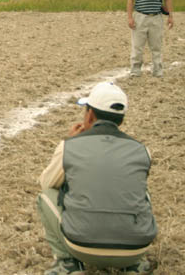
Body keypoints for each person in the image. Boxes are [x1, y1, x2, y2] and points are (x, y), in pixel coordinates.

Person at [37, 82, 156, 275]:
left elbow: (46, 184)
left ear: (90, 115)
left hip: (81, 246)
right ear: (121, 120)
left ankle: (68, 263)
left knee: (45, 196)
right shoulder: (142, 150)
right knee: (142, 194)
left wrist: (68, 142)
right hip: (135, 248)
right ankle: (134, 265)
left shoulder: (71, 147)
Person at [126, 0, 174, 78]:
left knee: (156, 46)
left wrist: (170, 16)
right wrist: (130, 17)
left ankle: (158, 71)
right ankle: (135, 71)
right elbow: (130, 0)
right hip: (140, 17)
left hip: (156, 18)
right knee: (137, 47)